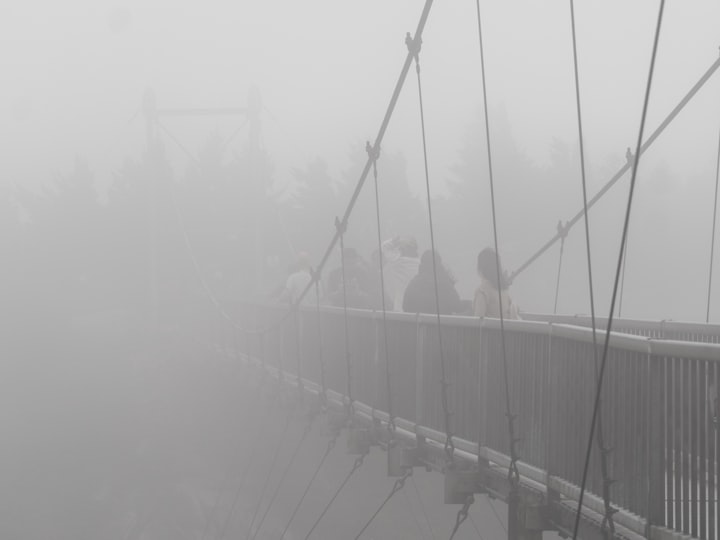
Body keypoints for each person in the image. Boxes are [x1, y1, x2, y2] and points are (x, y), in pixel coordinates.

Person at [403, 250, 461, 315]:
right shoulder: (445, 284)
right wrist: (451, 283)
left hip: (419, 324)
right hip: (441, 324)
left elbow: (405, 307)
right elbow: (457, 306)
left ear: (422, 264)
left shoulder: (413, 283)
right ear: (439, 264)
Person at [474, 247, 519, 319]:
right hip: (508, 328)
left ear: (480, 268)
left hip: (493, 330)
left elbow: (478, 323)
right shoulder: (504, 289)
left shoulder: (482, 291)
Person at [382, 236, 420, 312]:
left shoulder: (397, 262)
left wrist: (393, 241)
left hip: (400, 306)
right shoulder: (421, 264)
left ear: (403, 250)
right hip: (417, 305)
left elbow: (384, 248)